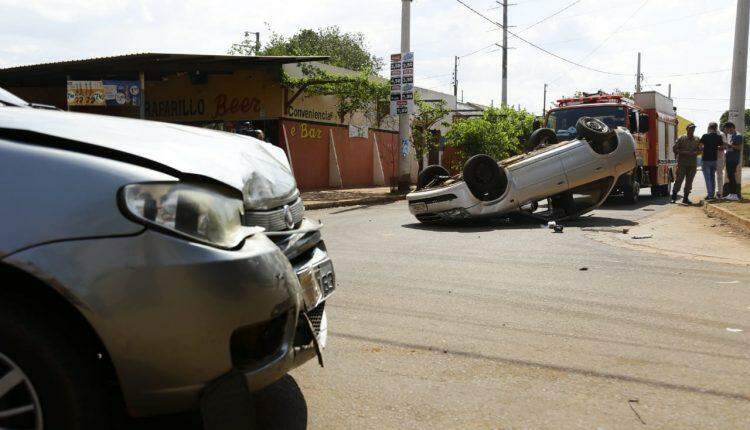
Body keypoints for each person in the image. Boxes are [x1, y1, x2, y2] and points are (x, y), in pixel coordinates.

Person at [671, 123, 700, 204]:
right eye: (691, 128)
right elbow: (674, 149)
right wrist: (684, 152)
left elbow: (700, 150)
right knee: (679, 180)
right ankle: (674, 197)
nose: (692, 130)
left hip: (692, 164)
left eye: (693, 128)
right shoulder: (681, 138)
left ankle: (685, 198)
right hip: (682, 163)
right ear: (687, 129)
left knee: (689, 181)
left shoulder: (697, 139)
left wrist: (695, 152)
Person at [699, 122, 723, 200]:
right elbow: (721, 146)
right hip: (714, 159)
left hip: (706, 159)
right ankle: (712, 194)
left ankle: (710, 196)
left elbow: (700, 146)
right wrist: (715, 147)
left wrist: (703, 149)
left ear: (709, 128)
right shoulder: (718, 137)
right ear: (716, 128)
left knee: (707, 178)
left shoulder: (705, 136)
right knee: (712, 178)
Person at [723, 121, 743, 200]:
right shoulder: (732, 135)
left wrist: (728, 145)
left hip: (733, 159)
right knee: (730, 176)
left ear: (730, 128)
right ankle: (731, 194)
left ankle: (734, 194)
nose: (726, 131)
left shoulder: (738, 136)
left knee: (731, 176)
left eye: (726, 129)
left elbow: (739, 148)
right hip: (729, 158)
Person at [717, 123, 728, 199]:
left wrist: (716, 147)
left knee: (719, 175)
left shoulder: (722, 134)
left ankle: (720, 192)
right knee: (711, 177)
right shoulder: (708, 134)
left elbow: (725, 146)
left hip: (719, 157)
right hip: (710, 158)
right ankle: (711, 193)